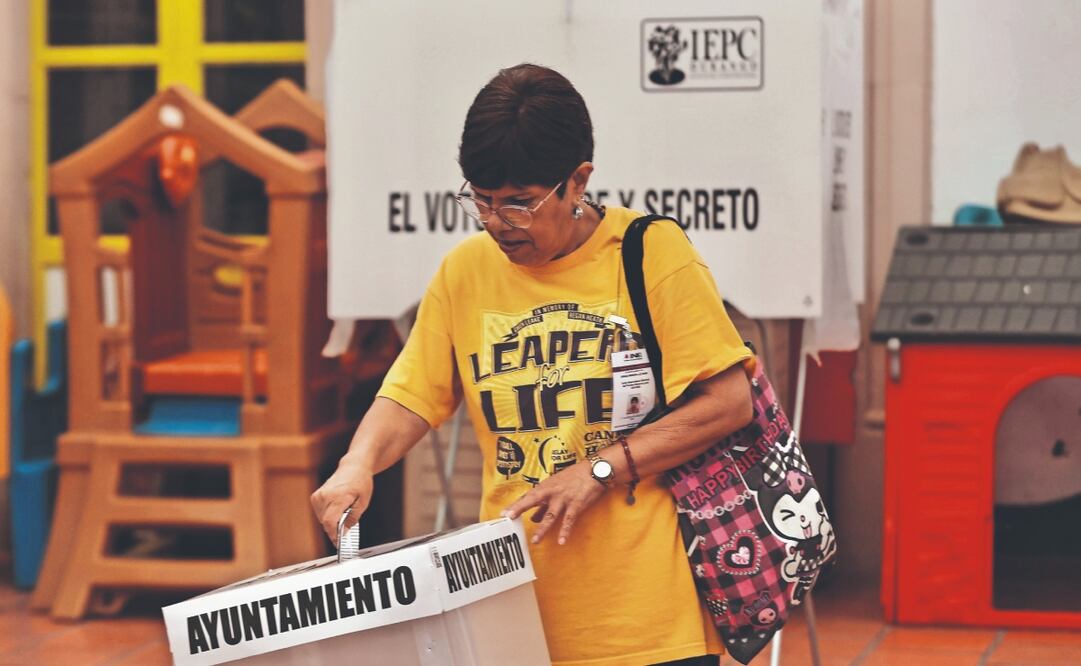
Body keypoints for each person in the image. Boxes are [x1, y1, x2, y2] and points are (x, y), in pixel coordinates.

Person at [311, 63, 754, 666]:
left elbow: (729, 402)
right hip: (510, 614)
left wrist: (597, 471)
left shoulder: (650, 254)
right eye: (482, 201)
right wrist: (357, 465)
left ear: (578, 182)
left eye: (519, 204)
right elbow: (412, 394)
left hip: (646, 622)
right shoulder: (465, 272)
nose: (497, 223)